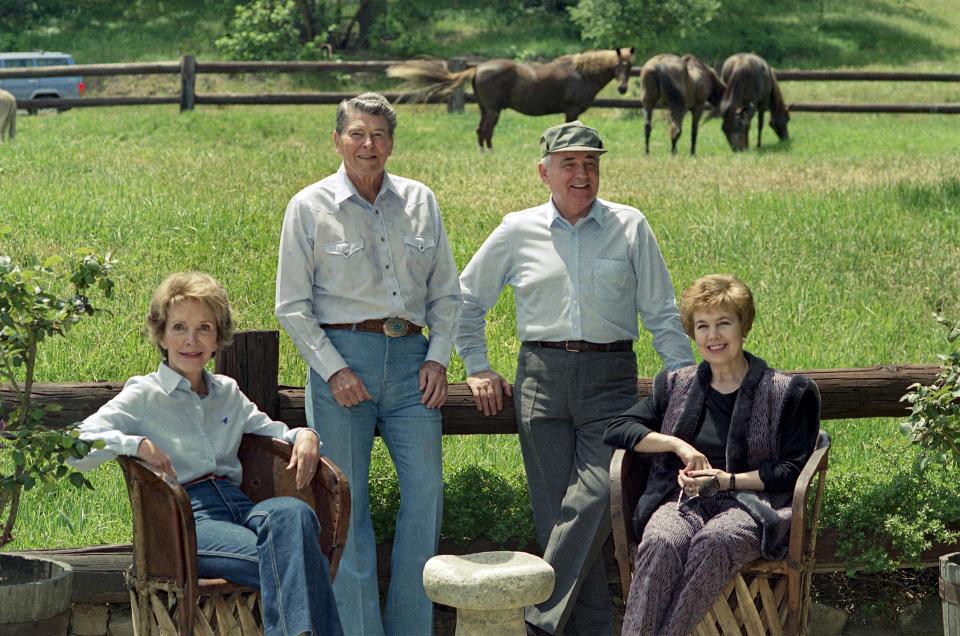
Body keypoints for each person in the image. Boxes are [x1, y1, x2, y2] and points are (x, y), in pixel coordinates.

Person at [456, 120, 695, 635]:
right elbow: (466, 302)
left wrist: (684, 382)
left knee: (592, 500)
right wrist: (476, 366)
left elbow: (661, 314)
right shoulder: (517, 229)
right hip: (540, 376)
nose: (582, 174)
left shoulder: (631, 226)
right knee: (557, 517)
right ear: (544, 172)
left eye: (591, 163)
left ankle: (534, 619)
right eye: (569, 164)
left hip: (610, 378)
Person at [275, 92, 461, 635]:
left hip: (412, 363)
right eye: (357, 133)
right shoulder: (308, 206)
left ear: (392, 143)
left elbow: (447, 295)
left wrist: (437, 357)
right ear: (337, 140)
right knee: (345, 508)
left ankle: (410, 628)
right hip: (343, 363)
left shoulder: (421, 200)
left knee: (425, 498)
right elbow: (291, 304)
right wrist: (333, 368)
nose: (368, 145)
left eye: (379, 135)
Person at [73, 271, 342, 636]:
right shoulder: (144, 395)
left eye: (204, 328)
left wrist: (307, 435)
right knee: (296, 556)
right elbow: (76, 445)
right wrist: (136, 444)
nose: (191, 340)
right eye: (179, 327)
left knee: (292, 514)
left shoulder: (227, 392)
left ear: (218, 338)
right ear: (162, 335)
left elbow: (276, 433)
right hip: (189, 518)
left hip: (243, 506)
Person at [603, 274, 821, 635]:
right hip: (685, 501)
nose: (713, 336)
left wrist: (727, 480)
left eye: (723, 323)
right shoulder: (677, 385)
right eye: (702, 326)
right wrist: (677, 445)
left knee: (714, 541)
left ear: (743, 326)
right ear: (693, 333)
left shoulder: (786, 392)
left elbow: (791, 468)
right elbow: (618, 429)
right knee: (660, 540)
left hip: (752, 504)